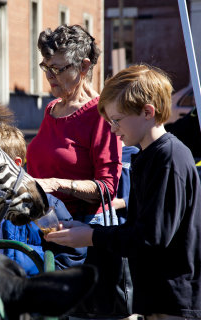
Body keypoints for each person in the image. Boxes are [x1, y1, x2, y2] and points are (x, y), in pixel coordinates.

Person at [45, 64, 201, 320]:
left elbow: (151, 238)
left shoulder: (168, 159)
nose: (113, 130)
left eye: (116, 120)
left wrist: (92, 236)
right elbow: (141, 230)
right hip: (160, 299)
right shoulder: (150, 155)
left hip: (174, 303)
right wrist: (87, 232)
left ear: (147, 112)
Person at [26, 24, 122, 225]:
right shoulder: (52, 108)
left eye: (57, 69)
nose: (49, 76)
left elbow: (107, 188)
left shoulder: (101, 114)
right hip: (46, 220)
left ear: (84, 67)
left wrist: (57, 184)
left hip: (84, 227)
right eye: (46, 67)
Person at [0, 123, 76, 275]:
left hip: (28, 288)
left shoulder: (46, 205)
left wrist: (48, 282)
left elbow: (70, 253)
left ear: (16, 164)